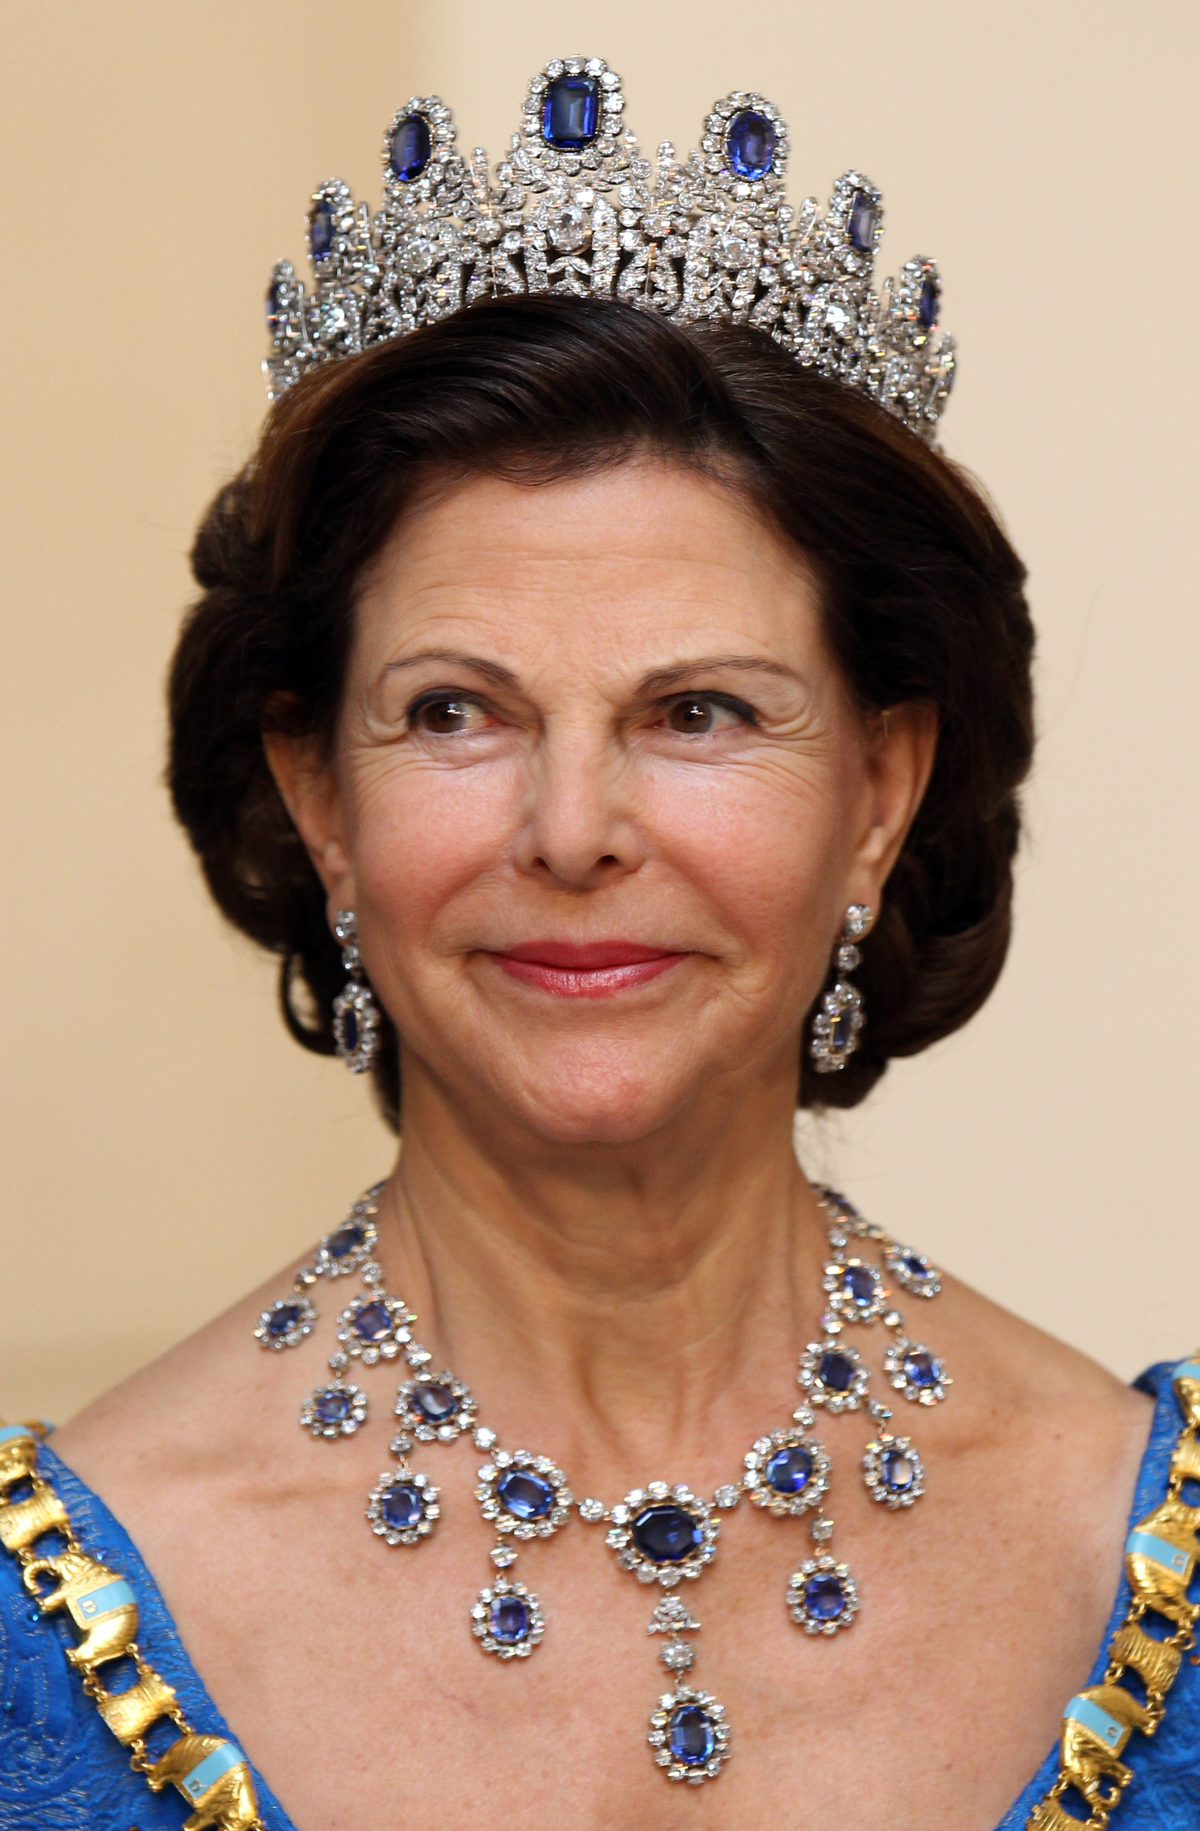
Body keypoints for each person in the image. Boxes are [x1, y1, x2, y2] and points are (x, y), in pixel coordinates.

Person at [2, 63, 1196, 1831]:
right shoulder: (50, 1619)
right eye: (456, 713)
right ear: (318, 793)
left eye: (700, 710)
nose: (572, 830)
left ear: (883, 782)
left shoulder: (1148, 1546)